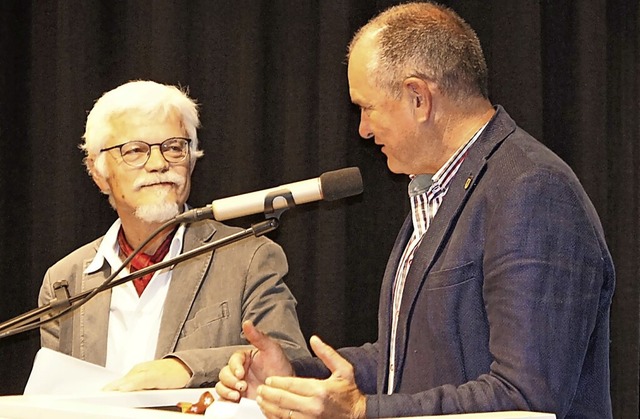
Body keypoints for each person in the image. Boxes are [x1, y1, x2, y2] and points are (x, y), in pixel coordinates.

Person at [214, 2, 615, 418]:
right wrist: (294, 378)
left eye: (366, 107)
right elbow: (401, 360)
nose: (363, 129)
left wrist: (361, 412)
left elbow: (526, 398)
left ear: (418, 97)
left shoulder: (533, 191)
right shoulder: (439, 189)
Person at [38, 80, 309, 390]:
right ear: (99, 173)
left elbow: (291, 360)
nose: (158, 164)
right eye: (135, 150)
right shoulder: (65, 282)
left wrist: (185, 367)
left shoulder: (248, 258)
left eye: (174, 147)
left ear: (191, 161)